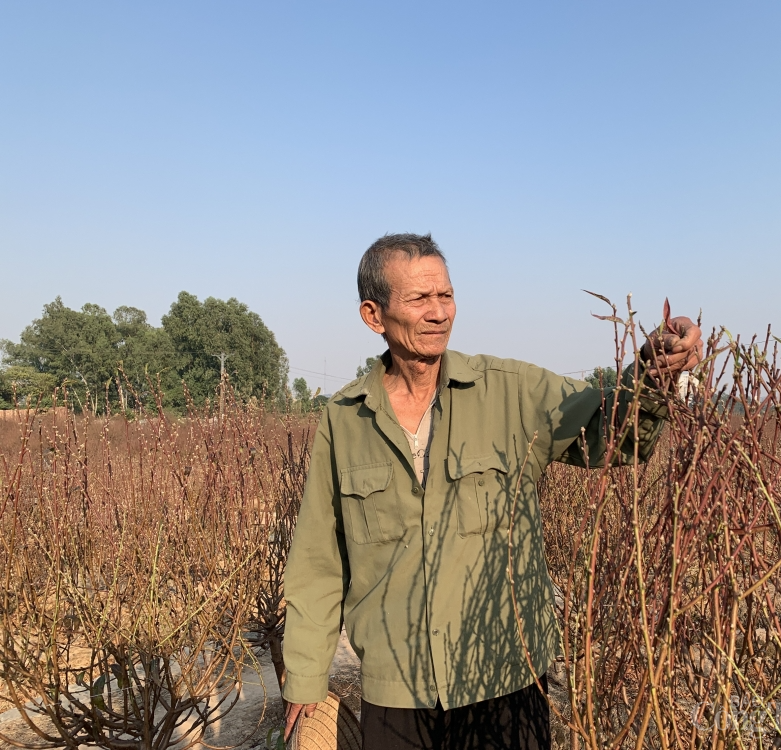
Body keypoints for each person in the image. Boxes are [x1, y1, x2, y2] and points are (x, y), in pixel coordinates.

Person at [281, 234, 702, 749]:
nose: (439, 313)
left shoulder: (512, 391)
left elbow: (610, 433)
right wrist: (305, 674)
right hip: (395, 686)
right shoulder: (344, 419)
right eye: (419, 299)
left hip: (504, 679)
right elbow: (318, 559)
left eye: (446, 296)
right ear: (374, 315)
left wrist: (653, 372)